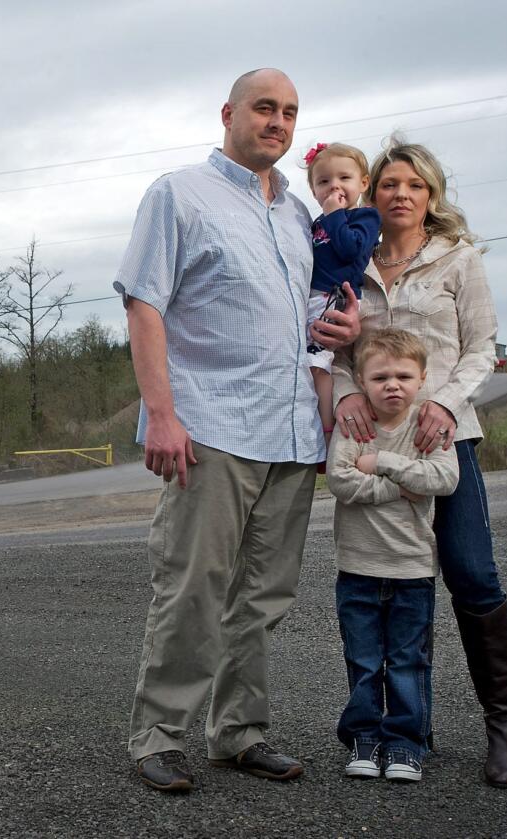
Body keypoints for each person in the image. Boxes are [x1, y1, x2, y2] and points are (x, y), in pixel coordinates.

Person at [114, 68, 361, 793]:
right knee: (193, 586)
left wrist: (341, 328)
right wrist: (161, 413)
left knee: (264, 596)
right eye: (264, 107)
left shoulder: (296, 215)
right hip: (210, 429)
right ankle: (159, 734)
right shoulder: (178, 195)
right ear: (229, 113)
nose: (277, 122)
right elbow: (143, 306)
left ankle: (239, 732)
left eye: (289, 112)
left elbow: (301, 317)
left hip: (290, 435)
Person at [332, 135, 507, 788]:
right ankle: (412, 728)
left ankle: (505, 728)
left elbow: (482, 347)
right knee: (394, 581)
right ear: (371, 193)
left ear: (431, 195)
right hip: (376, 445)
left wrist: (444, 403)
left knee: (471, 573)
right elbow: (334, 352)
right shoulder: (348, 262)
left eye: (414, 184)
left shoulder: (457, 259)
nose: (401, 194)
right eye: (389, 183)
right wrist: (344, 396)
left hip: (447, 437)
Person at [326, 328, 458, 783]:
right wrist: (404, 487)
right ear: (361, 381)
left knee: (407, 661)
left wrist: (382, 463)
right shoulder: (353, 427)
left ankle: (405, 744)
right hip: (358, 568)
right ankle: (365, 738)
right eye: (380, 376)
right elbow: (341, 482)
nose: (392, 385)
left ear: (422, 378)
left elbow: (443, 480)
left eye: (404, 375)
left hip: (412, 569)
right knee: (363, 660)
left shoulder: (430, 427)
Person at [302, 142, 381, 438]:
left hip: (334, 298)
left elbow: (351, 251)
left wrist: (335, 214)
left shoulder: (366, 218)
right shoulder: (318, 222)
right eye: (324, 181)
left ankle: (325, 431)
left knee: (318, 364)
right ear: (313, 191)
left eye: (344, 179)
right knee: (302, 363)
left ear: (363, 183)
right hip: (311, 297)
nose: (334, 186)